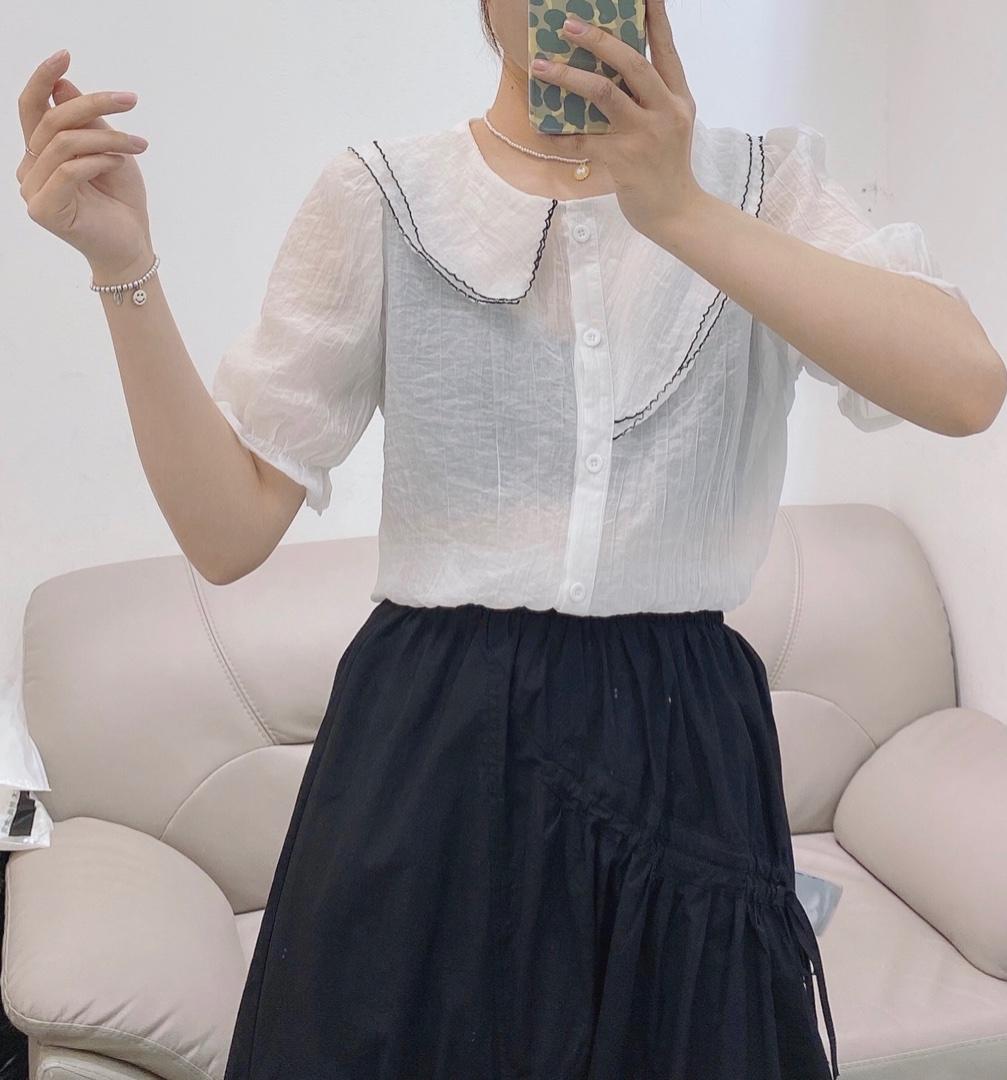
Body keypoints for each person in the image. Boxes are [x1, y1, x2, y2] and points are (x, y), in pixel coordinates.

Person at [15, 2, 1005, 1078]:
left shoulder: (768, 186)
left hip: (683, 745)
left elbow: (962, 386)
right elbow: (225, 530)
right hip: (425, 746)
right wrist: (123, 267)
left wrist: (678, 209)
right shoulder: (385, 196)